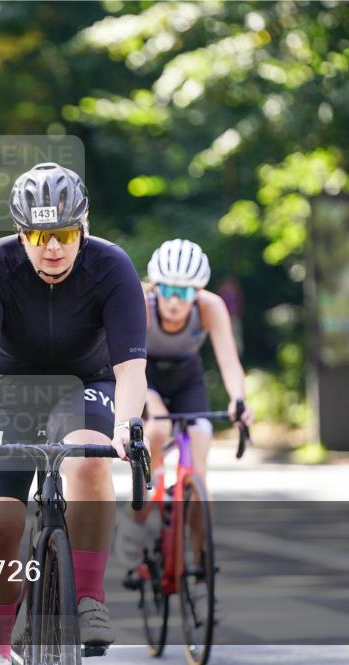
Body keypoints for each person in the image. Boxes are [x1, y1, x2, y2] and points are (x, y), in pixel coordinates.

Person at [0, 162, 147, 664]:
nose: (53, 248)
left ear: (82, 228)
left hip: (87, 383)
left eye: (64, 234)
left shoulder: (112, 266)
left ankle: (88, 598)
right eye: (39, 235)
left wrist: (129, 428)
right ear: (20, 235)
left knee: (87, 461)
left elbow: (131, 371)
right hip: (9, 390)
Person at [115, 239, 253, 567]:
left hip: (186, 377)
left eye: (187, 293)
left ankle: (203, 561)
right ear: (155, 287)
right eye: (168, 290)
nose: (176, 301)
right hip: (144, 374)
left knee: (200, 469)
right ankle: (139, 512)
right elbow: (125, 364)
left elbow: (229, 360)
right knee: (158, 429)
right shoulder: (140, 304)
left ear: (198, 293)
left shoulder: (211, 306)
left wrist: (239, 401)